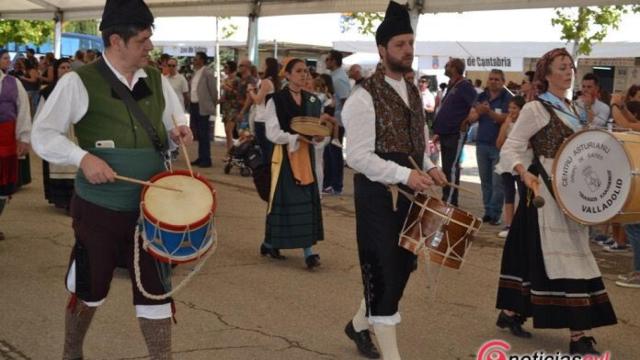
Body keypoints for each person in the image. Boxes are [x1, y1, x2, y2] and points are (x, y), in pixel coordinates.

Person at [31, 1, 193, 358]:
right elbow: (42, 134)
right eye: (143, 40)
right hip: (99, 208)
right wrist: (82, 157)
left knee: (155, 287)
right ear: (116, 41)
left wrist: (178, 132)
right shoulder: (78, 80)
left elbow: (171, 121)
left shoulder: (156, 79)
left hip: (151, 208)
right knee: (89, 287)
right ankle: (71, 351)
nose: (150, 47)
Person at [495, 48, 617, 355]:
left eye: (570, 68)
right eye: (561, 68)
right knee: (566, 259)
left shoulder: (572, 108)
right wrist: (524, 173)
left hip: (570, 193)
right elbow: (511, 148)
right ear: (546, 75)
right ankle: (580, 336)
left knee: (533, 258)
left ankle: (510, 312)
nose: (568, 72)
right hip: (545, 194)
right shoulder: (536, 109)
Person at [342, 2, 447, 359]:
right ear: (382, 50)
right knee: (384, 269)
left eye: (410, 43)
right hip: (378, 196)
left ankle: (358, 325)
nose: (407, 50)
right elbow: (356, 156)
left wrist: (431, 166)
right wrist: (405, 175)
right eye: (400, 44)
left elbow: (417, 142)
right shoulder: (362, 97)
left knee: (402, 267)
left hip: (411, 194)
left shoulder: (414, 91)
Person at [261, 58, 329, 269]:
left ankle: (308, 252)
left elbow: (317, 131)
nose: (304, 75)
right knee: (284, 201)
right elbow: (271, 132)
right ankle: (270, 242)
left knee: (305, 202)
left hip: (305, 158)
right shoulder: (276, 100)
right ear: (287, 74)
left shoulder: (313, 101)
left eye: (306, 72)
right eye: (298, 71)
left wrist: (318, 138)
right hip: (284, 156)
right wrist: (294, 138)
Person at [432, 58, 478, 206]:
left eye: (448, 65)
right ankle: (448, 197)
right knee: (446, 167)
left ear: (455, 68)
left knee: (451, 167)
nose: (445, 67)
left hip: (455, 133)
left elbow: (476, 105)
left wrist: (467, 121)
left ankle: (450, 201)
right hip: (446, 132)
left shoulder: (465, 86)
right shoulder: (453, 85)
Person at [472, 69, 512, 225]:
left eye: (497, 79)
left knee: (498, 183)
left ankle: (495, 214)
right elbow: (473, 115)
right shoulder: (481, 96)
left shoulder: (508, 98)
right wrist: (478, 113)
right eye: (491, 79)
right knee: (485, 181)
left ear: (503, 81)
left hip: (499, 146)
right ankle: (488, 211)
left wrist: (488, 112)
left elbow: (506, 118)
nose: (493, 81)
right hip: (481, 143)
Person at [0, 49, 32, 241]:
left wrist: (24, 137)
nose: (8, 61)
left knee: (3, 189)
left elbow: (23, 110)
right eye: (4, 58)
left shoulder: (14, 83)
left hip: (5, 140)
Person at [36, 58, 75, 210]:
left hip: (74, 134)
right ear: (57, 71)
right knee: (59, 166)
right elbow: (41, 115)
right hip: (56, 134)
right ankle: (61, 200)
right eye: (62, 68)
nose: (65, 70)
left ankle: (73, 202)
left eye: (68, 67)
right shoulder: (48, 91)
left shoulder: (80, 89)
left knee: (74, 168)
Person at [494, 96, 526, 238]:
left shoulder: (525, 125)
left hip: (522, 162)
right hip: (506, 163)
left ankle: (522, 224)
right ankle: (509, 224)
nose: (511, 111)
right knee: (509, 192)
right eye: (510, 108)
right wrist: (505, 125)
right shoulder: (506, 123)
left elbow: (527, 144)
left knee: (523, 193)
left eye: (515, 108)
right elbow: (499, 143)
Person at [323, 50, 350, 196]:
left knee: (334, 152)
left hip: (337, 121)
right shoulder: (334, 76)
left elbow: (345, 100)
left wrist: (341, 120)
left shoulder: (339, 78)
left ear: (334, 61)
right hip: (332, 119)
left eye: (327, 59)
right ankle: (328, 183)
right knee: (329, 153)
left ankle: (336, 185)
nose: (325, 62)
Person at [188, 51, 217, 168]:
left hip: (203, 106)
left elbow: (213, 91)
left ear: (202, 60)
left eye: (196, 59)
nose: (194, 60)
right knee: (199, 134)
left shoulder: (207, 73)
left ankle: (207, 159)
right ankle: (201, 157)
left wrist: (212, 105)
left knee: (204, 134)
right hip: (194, 105)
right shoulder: (196, 73)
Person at [249, 57, 280, 166]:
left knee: (266, 150)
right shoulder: (273, 81)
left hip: (262, 119)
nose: (261, 67)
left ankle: (267, 174)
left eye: (263, 65)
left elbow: (258, 100)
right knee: (268, 149)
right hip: (267, 118)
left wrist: (251, 91)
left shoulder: (266, 82)